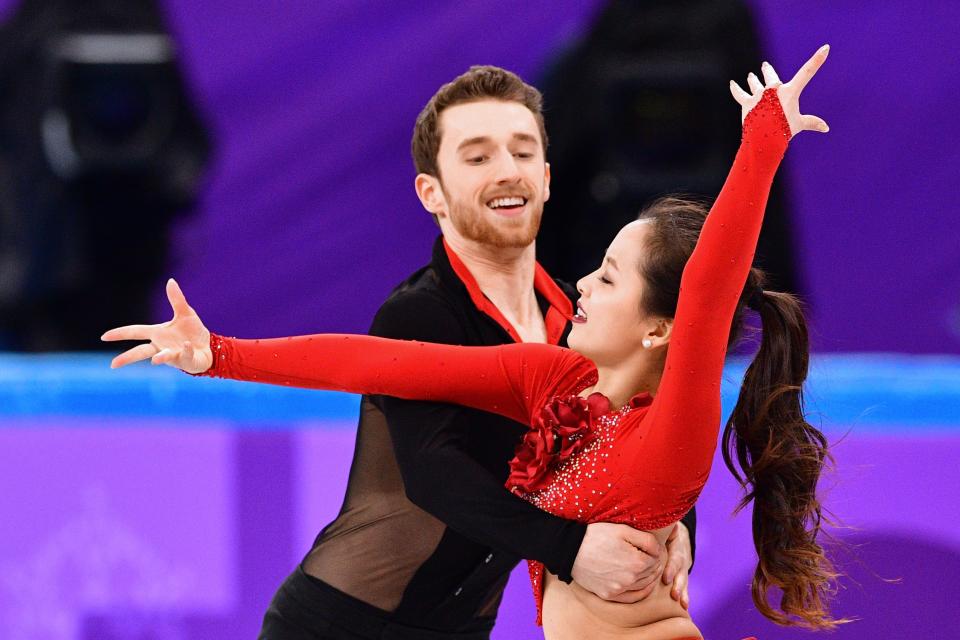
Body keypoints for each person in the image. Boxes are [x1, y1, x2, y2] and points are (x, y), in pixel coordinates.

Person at [106, 45, 841, 639]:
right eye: (478, 154)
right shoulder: (542, 370)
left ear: (549, 177)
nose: (507, 169)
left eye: (522, 149)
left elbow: (707, 296)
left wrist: (763, 142)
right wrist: (222, 354)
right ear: (431, 190)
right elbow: (387, 378)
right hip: (351, 622)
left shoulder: (614, 379)